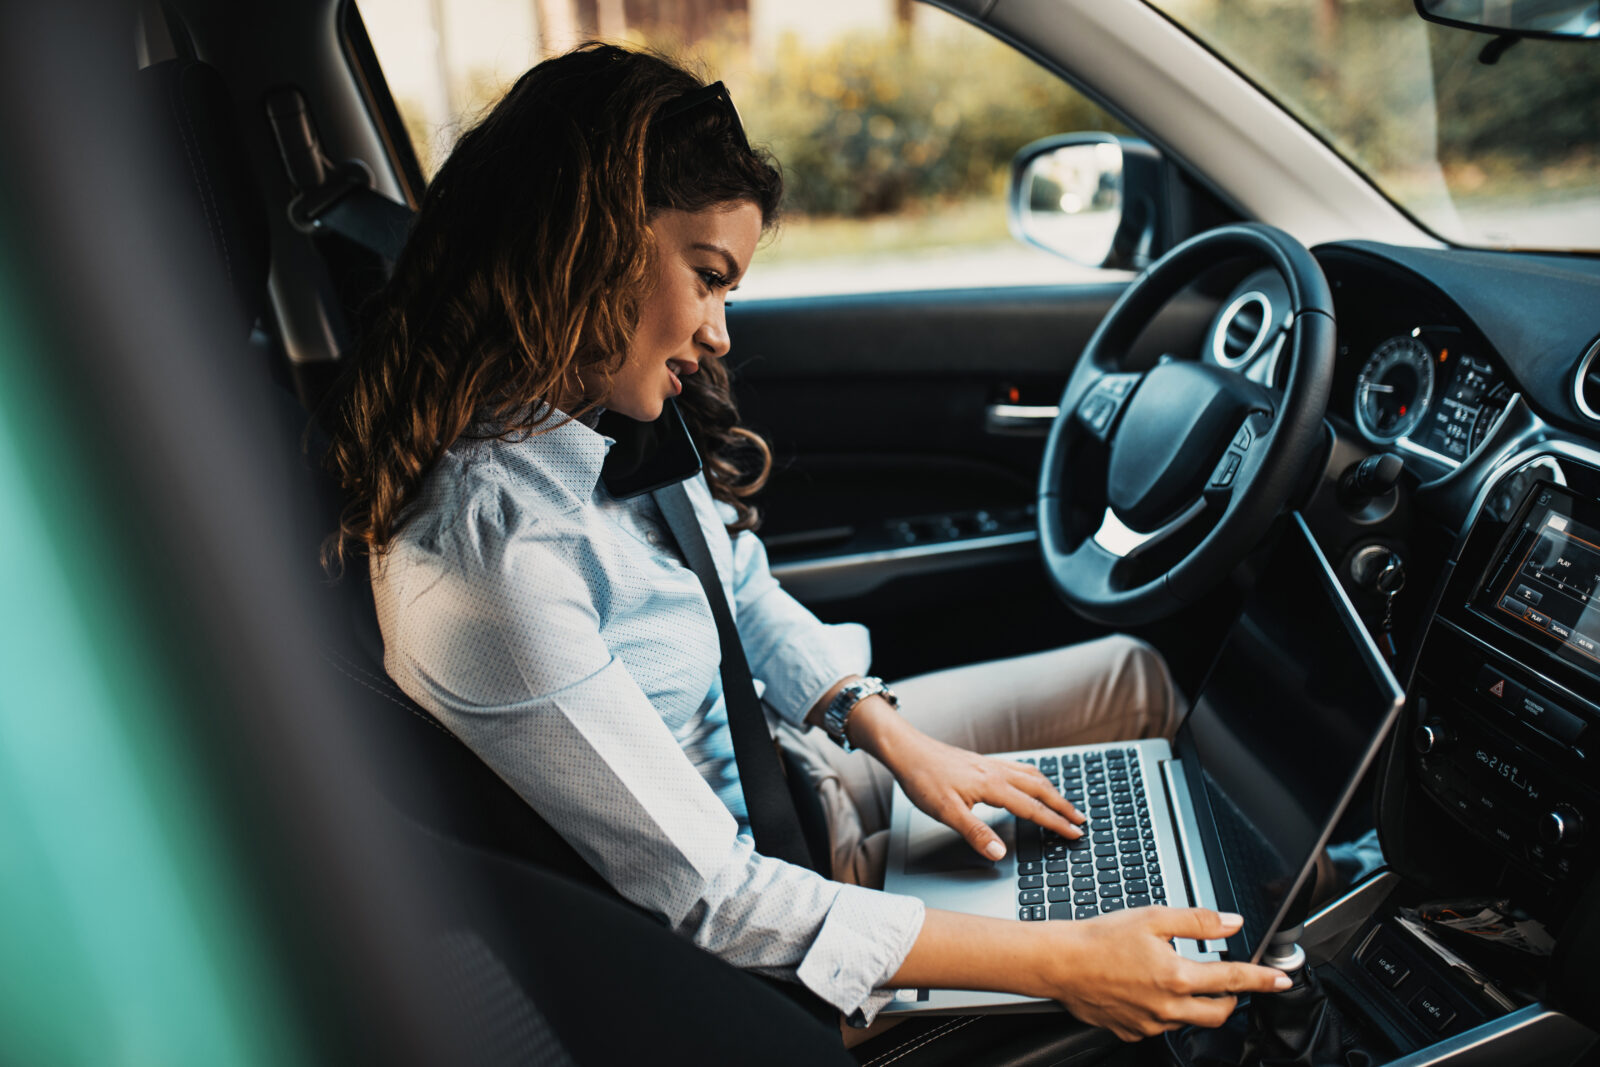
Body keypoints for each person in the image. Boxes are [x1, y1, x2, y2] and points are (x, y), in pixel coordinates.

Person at [323, 43, 1290, 1048]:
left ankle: (1247, 919)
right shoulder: (494, 569)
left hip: (794, 785)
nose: (720, 333)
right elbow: (721, 904)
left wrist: (893, 737)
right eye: (706, 278)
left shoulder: (585, 414)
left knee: (1128, 678)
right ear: (587, 243)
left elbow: (733, 587)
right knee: (1144, 891)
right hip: (770, 946)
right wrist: (1067, 961)